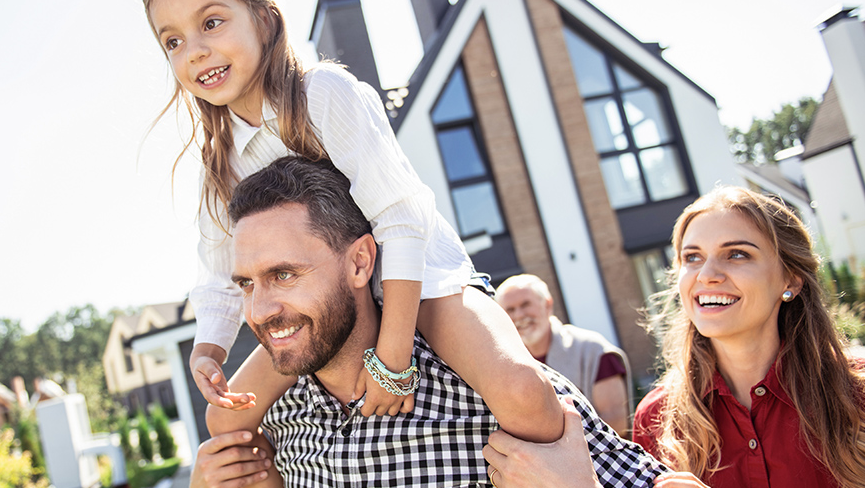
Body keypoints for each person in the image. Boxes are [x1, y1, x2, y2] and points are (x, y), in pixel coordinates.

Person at [138, 0, 563, 448]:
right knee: (224, 424)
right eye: (173, 41)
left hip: (417, 278)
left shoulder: (321, 93)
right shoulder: (219, 162)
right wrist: (208, 351)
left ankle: (566, 470)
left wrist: (393, 358)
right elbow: (218, 276)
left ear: (262, 18)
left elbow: (401, 219)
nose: (193, 50)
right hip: (325, 299)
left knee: (522, 392)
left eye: (211, 23)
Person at [192, 156, 667, 487]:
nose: (259, 310)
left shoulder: (476, 382)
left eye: (285, 274)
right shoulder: (268, 425)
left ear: (360, 263)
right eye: (248, 284)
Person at [631, 186, 865, 487]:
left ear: (790, 279)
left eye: (737, 254)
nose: (706, 274)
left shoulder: (856, 394)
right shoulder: (655, 419)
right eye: (692, 257)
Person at [495, 274, 632, 437]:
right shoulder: (501, 364)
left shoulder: (592, 350)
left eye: (526, 304)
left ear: (547, 305)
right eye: (510, 310)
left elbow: (616, 421)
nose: (519, 315)